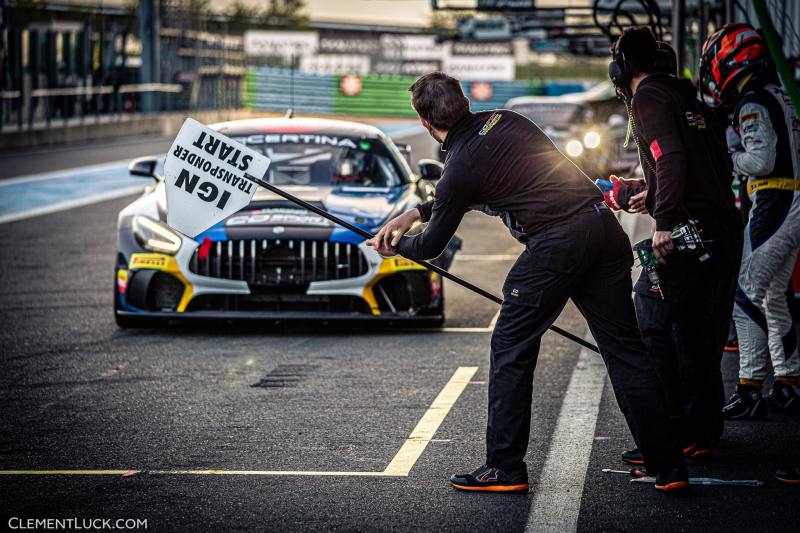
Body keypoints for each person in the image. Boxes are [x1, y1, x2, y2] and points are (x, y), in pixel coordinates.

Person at [365, 71, 688, 493]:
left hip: (556, 242)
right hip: (601, 228)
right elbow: (475, 185)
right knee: (626, 351)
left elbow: (430, 246)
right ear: (464, 101)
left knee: (510, 344)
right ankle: (668, 465)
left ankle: (504, 466)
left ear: (426, 123)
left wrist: (396, 247)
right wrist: (414, 214)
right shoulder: (507, 120)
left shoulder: (461, 161)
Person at [607, 27, 742, 464]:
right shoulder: (686, 96)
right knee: (697, 333)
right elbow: (701, 165)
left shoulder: (647, 98)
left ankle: (665, 439)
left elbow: (671, 158)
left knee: (650, 319)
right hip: (721, 230)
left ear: (620, 68)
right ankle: (702, 432)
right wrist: (653, 191)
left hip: (688, 234)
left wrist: (662, 220)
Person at [699, 23, 800, 418]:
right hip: (791, 201)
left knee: (746, 296)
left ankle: (750, 388)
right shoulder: (786, 95)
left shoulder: (752, 103)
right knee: (775, 297)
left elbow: (760, 161)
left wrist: (728, 157)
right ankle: (789, 382)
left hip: (776, 200)